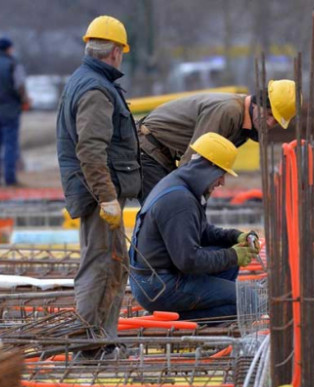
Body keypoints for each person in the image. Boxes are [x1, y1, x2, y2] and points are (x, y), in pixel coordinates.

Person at [56, 16, 140, 353]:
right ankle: (90, 348)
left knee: (113, 265)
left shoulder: (88, 80)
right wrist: (106, 197)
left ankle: (102, 342)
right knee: (101, 267)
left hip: (97, 192)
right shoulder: (95, 89)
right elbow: (90, 150)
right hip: (98, 195)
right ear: (116, 51)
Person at [129, 133, 259, 321]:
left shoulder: (181, 185)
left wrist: (235, 237)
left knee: (227, 263)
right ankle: (176, 317)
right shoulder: (180, 201)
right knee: (250, 302)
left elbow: (202, 231)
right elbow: (189, 261)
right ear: (210, 169)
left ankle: (199, 305)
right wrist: (232, 255)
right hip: (158, 287)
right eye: (221, 174)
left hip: (156, 278)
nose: (222, 182)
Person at [137, 79, 296, 202]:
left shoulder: (244, 125)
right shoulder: (229, 112)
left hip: (162, 153)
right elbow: (194, 159)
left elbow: (209, 166)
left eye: (275, 121)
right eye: (268, 115)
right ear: (256, 103)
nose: (269, 123)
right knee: (166, 211)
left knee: (173, 210)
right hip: (149, 147)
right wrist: (193, 204)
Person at [0, 36, 28, 186]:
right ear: (8, 48)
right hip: (10, 110)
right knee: (10, 145)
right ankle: (10, 179)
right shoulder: (13, 64)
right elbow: (20, 86)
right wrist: (25, 101)